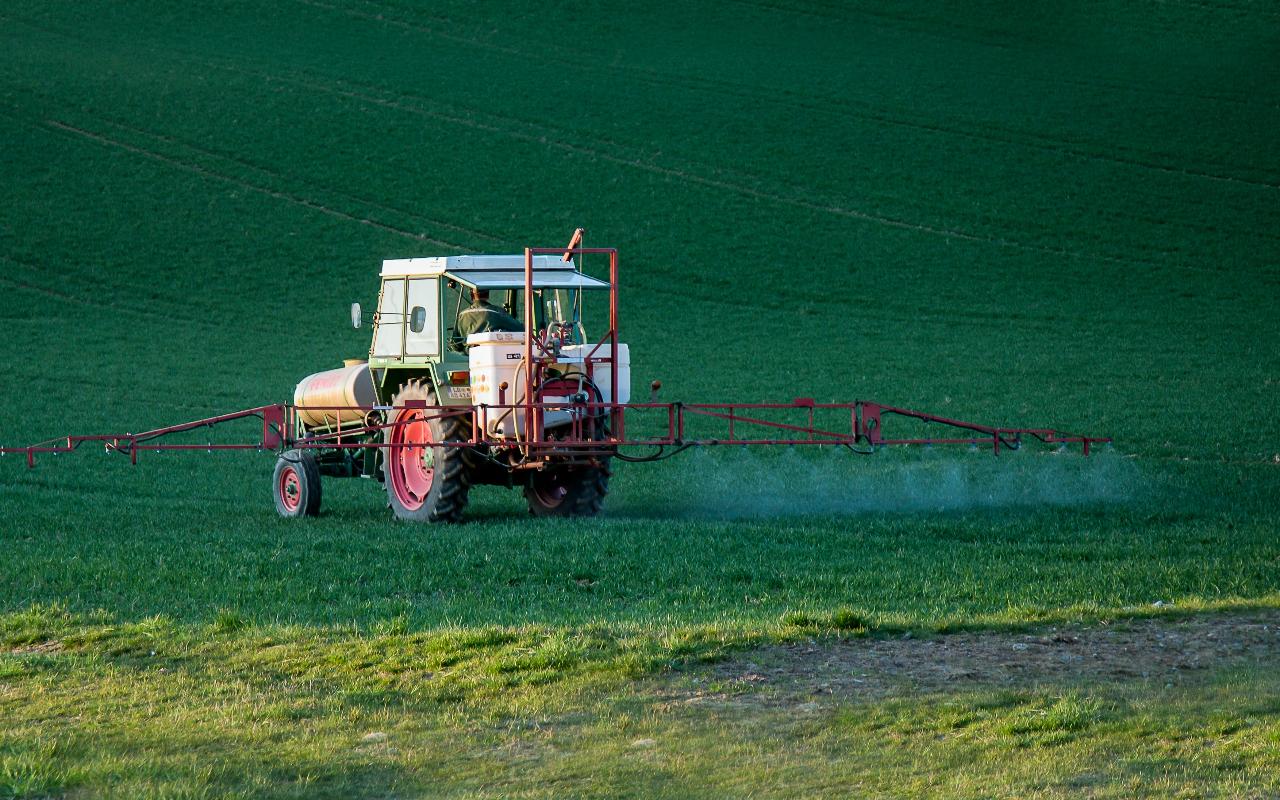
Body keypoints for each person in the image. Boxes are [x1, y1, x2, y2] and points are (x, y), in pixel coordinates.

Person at [453, 289, 522, 350]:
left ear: (471, 295)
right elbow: (520, 329)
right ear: (488, 295)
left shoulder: (462, 315)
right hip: (494, 355)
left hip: (469, 357)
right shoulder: (497, 312)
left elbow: (456, 343)